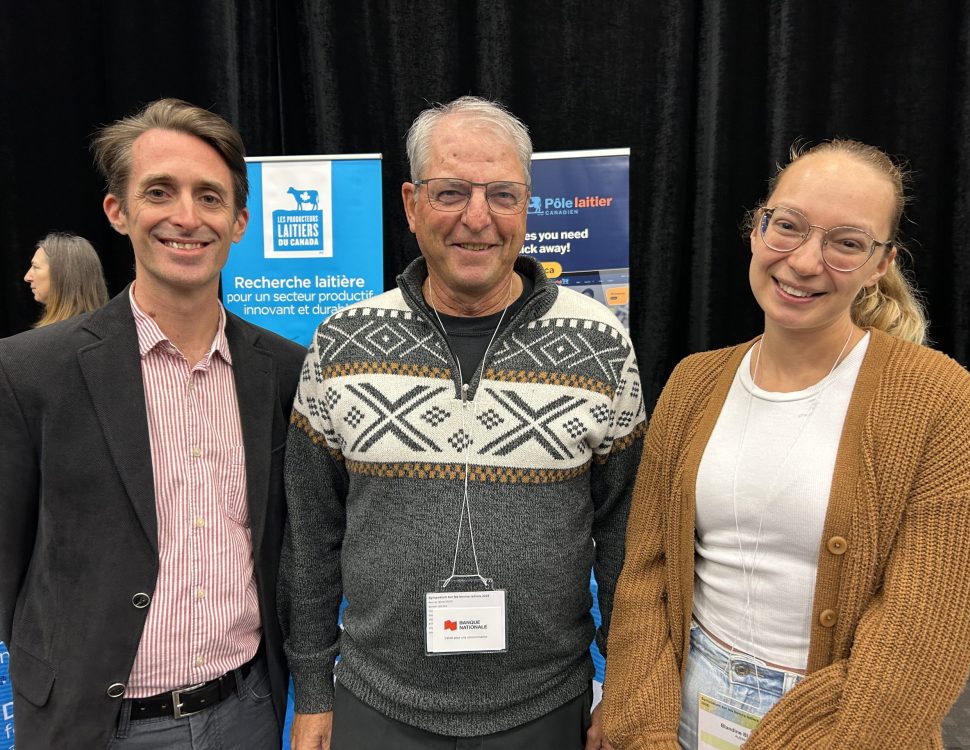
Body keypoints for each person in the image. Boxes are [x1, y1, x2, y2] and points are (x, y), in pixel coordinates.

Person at [603, 139, 970, 749]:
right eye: (788, 226)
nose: (805, 261)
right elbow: (646, 580)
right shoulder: (692, 384)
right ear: (757, 229)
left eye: (846, 243)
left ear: (880, 265)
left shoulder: (941, 403)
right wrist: (644, 730)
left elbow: (926, 637)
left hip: (852, 731)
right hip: (685, 714)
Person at [280, 95, 647, 749]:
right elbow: (310, 539)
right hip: (377, 706)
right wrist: (311, 692)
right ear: (411, 203)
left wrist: (622, 688)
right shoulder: (341, 342)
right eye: (451, 192)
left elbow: (626, 539)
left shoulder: (601, 342)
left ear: (527, 206)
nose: (478, 219)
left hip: (545, 710)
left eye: (501, 194)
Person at [0, 98, 306, 749]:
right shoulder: (31, 369)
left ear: (240, 221)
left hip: (246, 715)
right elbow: (7, 559)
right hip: (91, 726)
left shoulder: (283, 371)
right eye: (160, 192)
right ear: (119, 210)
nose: (187, 217)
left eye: (210, 197)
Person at [23, 231, 109, 327]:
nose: (27, 277)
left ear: (62, 275)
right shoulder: (109, 331)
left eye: (35, 267)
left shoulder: (53, 339)